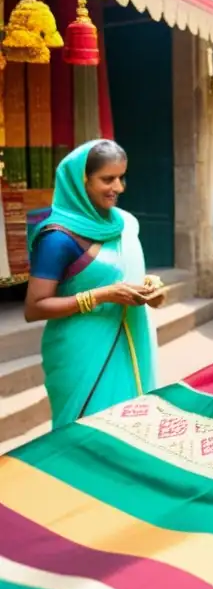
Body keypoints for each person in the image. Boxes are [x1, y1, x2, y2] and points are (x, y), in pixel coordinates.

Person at [23, 140, 166, 428]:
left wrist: (150, 287)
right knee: (87, 436)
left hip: (132, 343)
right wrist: (103, 295)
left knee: (132, 432)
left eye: (121, 177)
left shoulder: (125, 223)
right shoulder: (57, 237)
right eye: (107, 179)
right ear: (81, 180)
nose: (119, 187)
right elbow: (34, 307)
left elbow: (126, 271)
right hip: (81, 351)